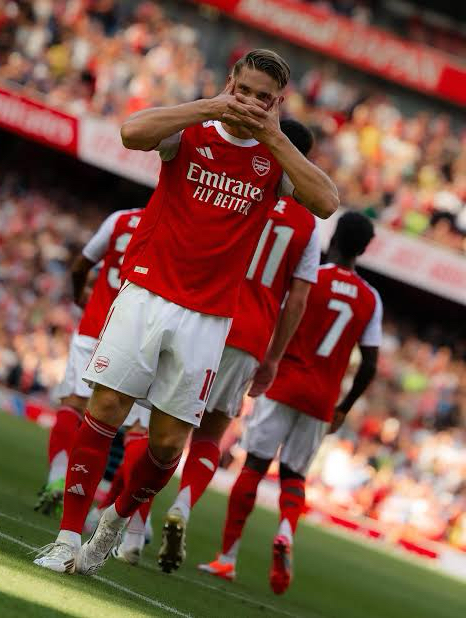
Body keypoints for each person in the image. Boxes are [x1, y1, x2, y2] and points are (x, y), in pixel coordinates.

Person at [34, 48, 338, 575]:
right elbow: (131, 132)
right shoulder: (192, 130)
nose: (250, 103)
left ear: (277, 104)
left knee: (168, 444)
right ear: (230, 84)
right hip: (146, 292)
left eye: (263, 98)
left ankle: (114, 523)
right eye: (244, 91)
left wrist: (274, 136)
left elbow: (327, 201)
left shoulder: (275, 158)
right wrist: (211, 106)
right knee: (105, 407)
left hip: (209, 316)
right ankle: (65, 540)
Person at [109, 119, 321, 571]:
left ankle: (133, 531)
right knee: (210, 434)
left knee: (152, 426)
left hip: (205, 310)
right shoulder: (306, 222)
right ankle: (182, 506)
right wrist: (273, 357)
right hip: (250, 335)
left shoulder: (242, 179)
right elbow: (299, 298)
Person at [199, 212, 382, 595]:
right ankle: (285, 529)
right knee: (294, 475)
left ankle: (227, 558)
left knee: (255, 465)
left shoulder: (311, 278)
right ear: (365, 250)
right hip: (322, 398)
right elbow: (369, 364)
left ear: (334, 238)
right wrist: (344, 406)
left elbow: (282, 314)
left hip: (284, 384)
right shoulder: (371, 299)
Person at [34, 207, 148, 515]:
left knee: (73, 405)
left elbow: (80, 266)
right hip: (135, 337)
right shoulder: (174, 226)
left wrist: (79, 297)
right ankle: (117, 515)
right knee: (137, 431)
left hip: (94, 325)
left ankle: (58, 479)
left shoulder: (120, 219)